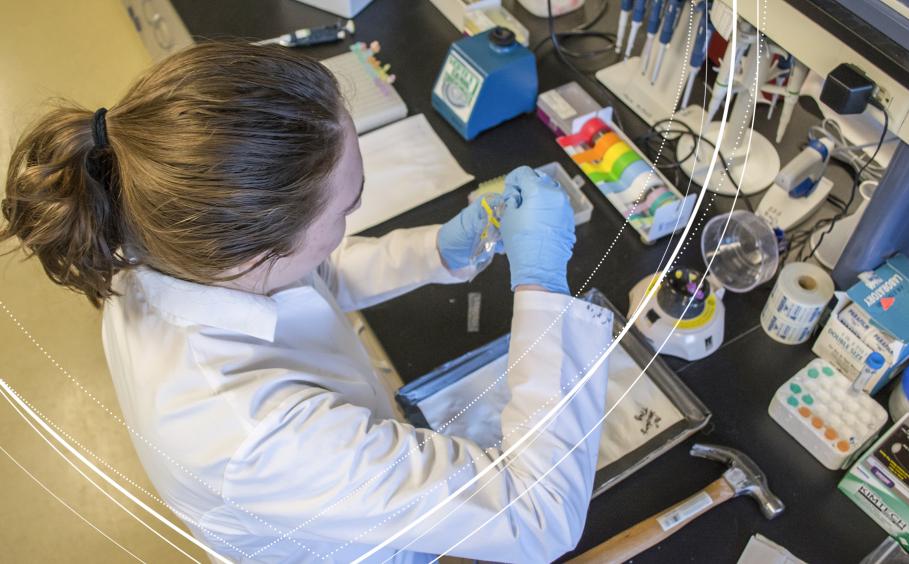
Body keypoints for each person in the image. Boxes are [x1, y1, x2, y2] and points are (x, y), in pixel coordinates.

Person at [1, 42, 612, 563]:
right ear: (253, 245)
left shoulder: (156, 233)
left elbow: (302, 276)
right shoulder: (258, 438)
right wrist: (541, 283)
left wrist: (441, 250)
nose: (348, 220)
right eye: (346, 209)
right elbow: (537, 514)